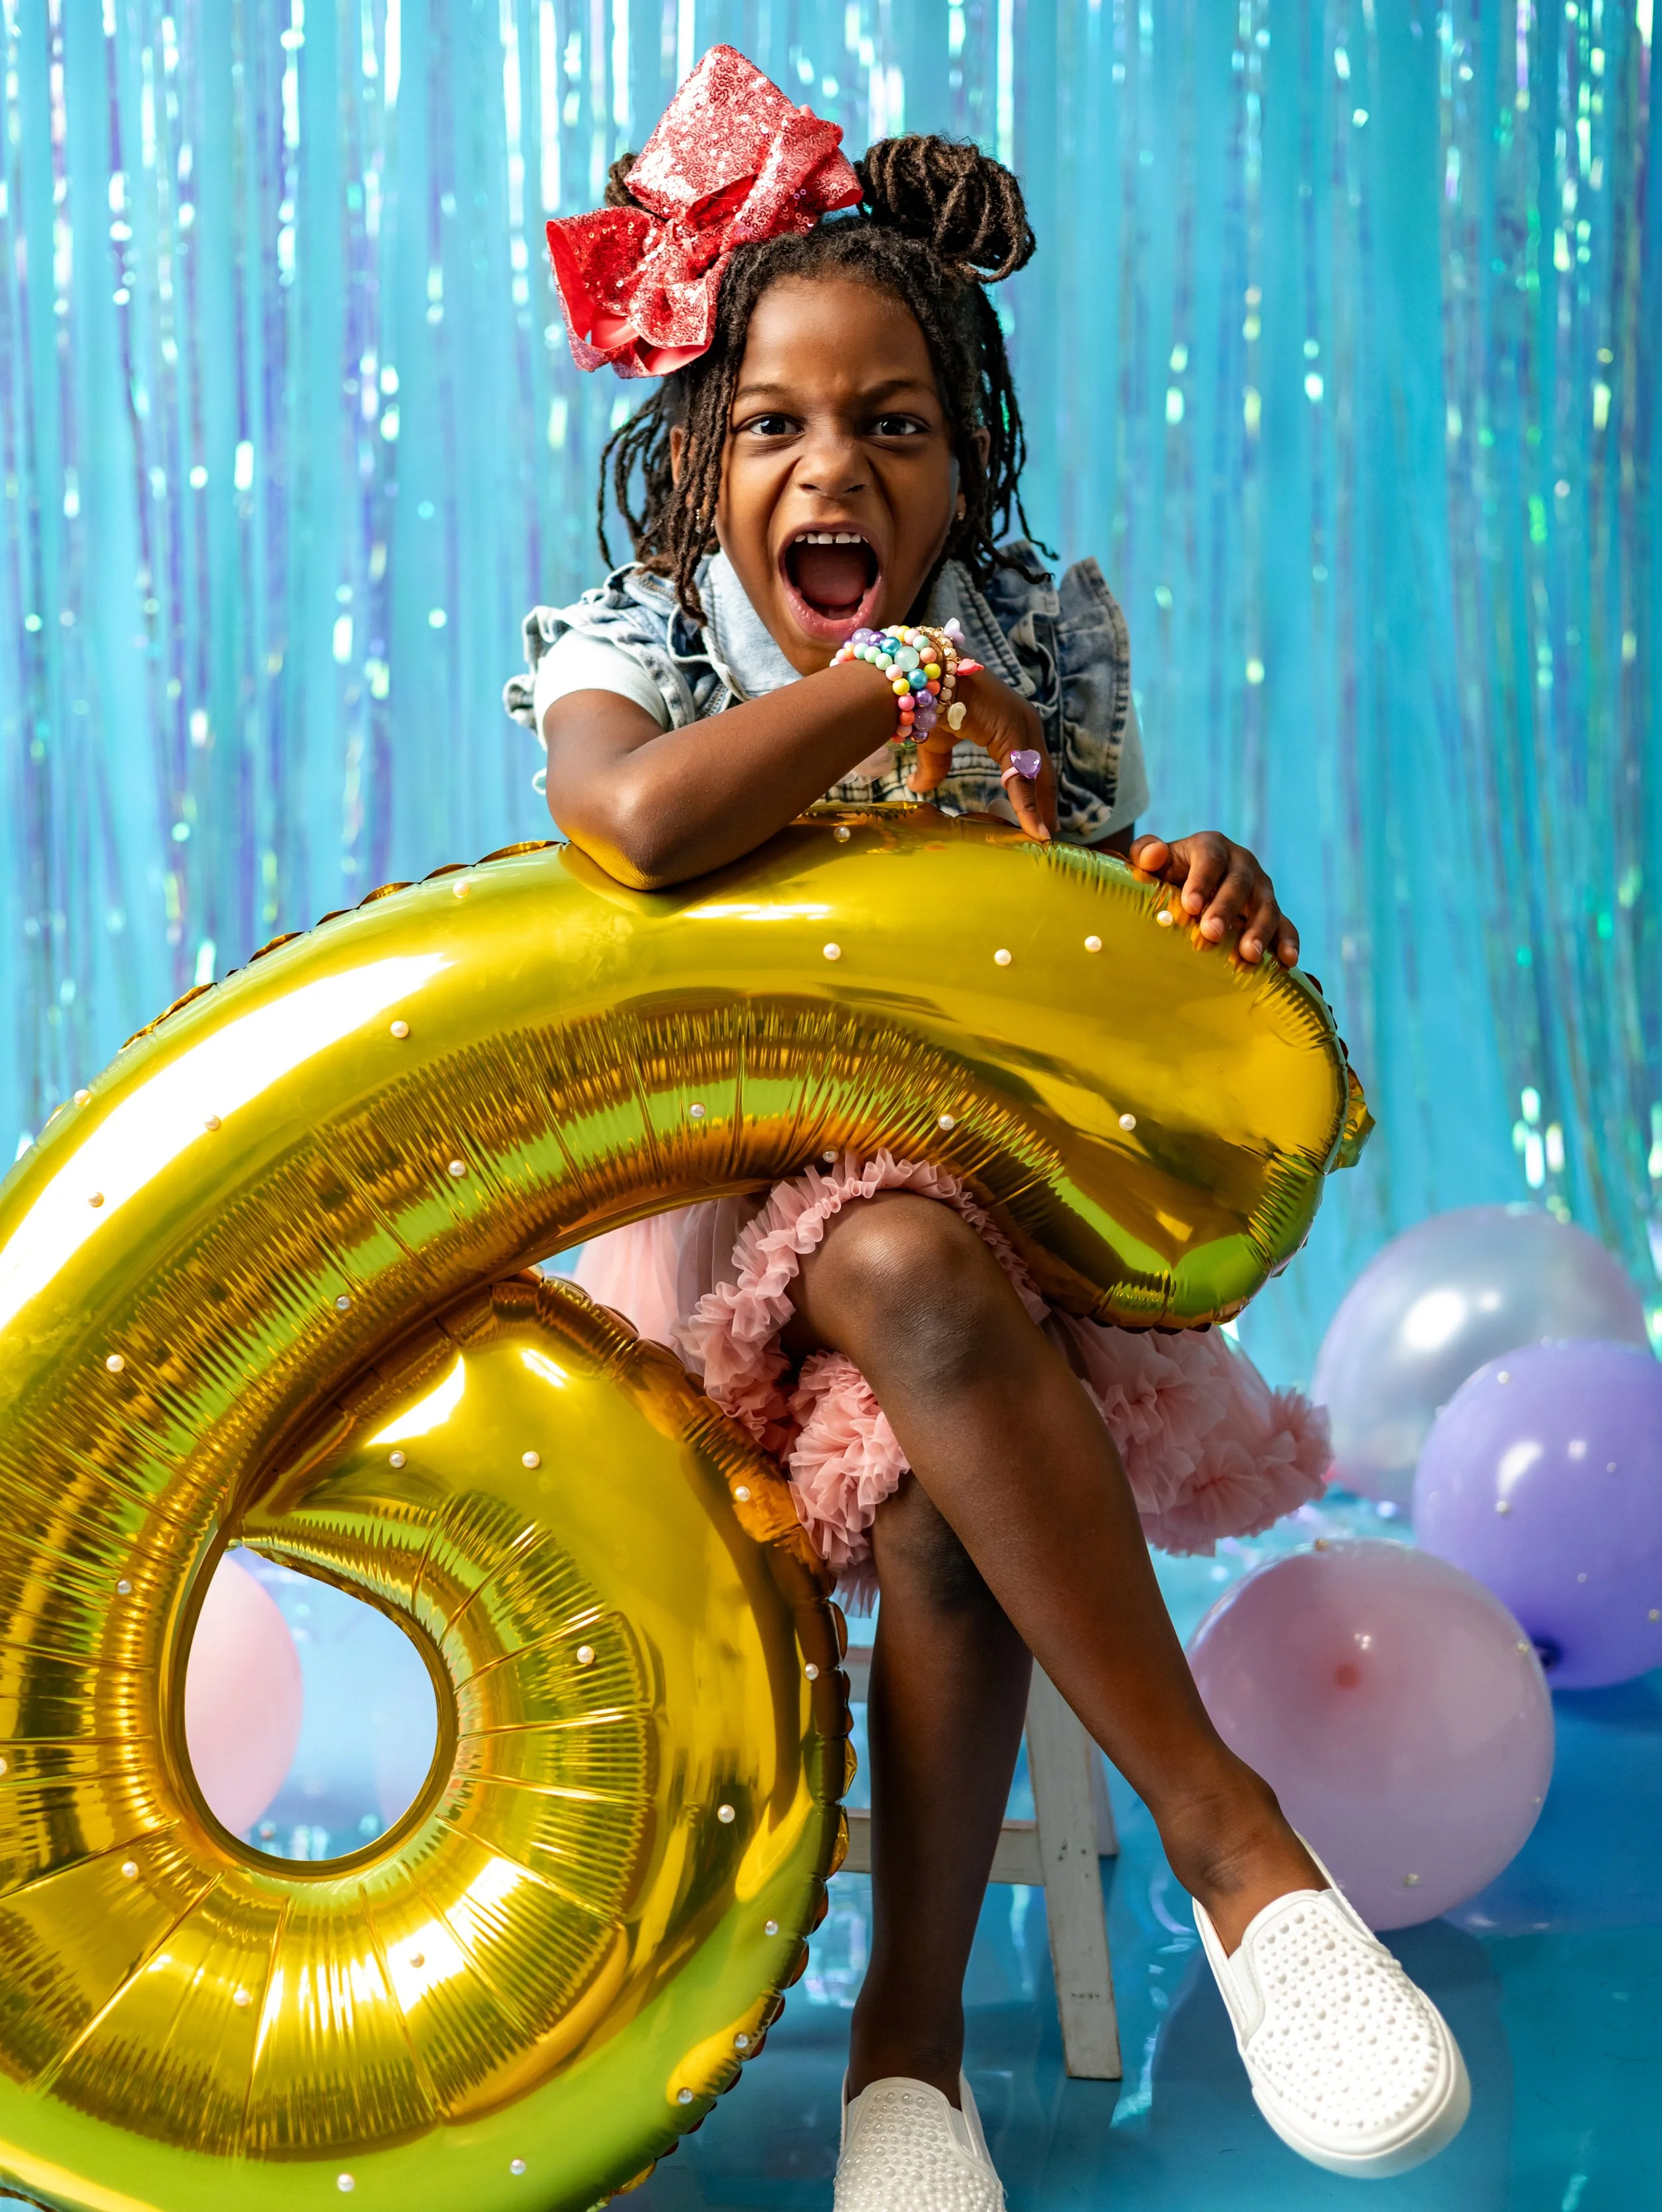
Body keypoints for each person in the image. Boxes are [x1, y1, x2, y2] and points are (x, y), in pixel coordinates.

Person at [506, 47, 1469, 2206]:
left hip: (990, 1262)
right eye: (770, 424)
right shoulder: (641, 646)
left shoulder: (1048, 627)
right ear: (693, 462)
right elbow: (637, 831)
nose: (829, 465)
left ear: (970, 464)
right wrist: (897, 694)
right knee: (895, 1252)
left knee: (945, 1428)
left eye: (891, 423)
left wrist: (1194, 884)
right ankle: (1240, 1853)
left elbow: (1084, 942)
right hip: (711, 1256)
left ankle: (905, 2070)